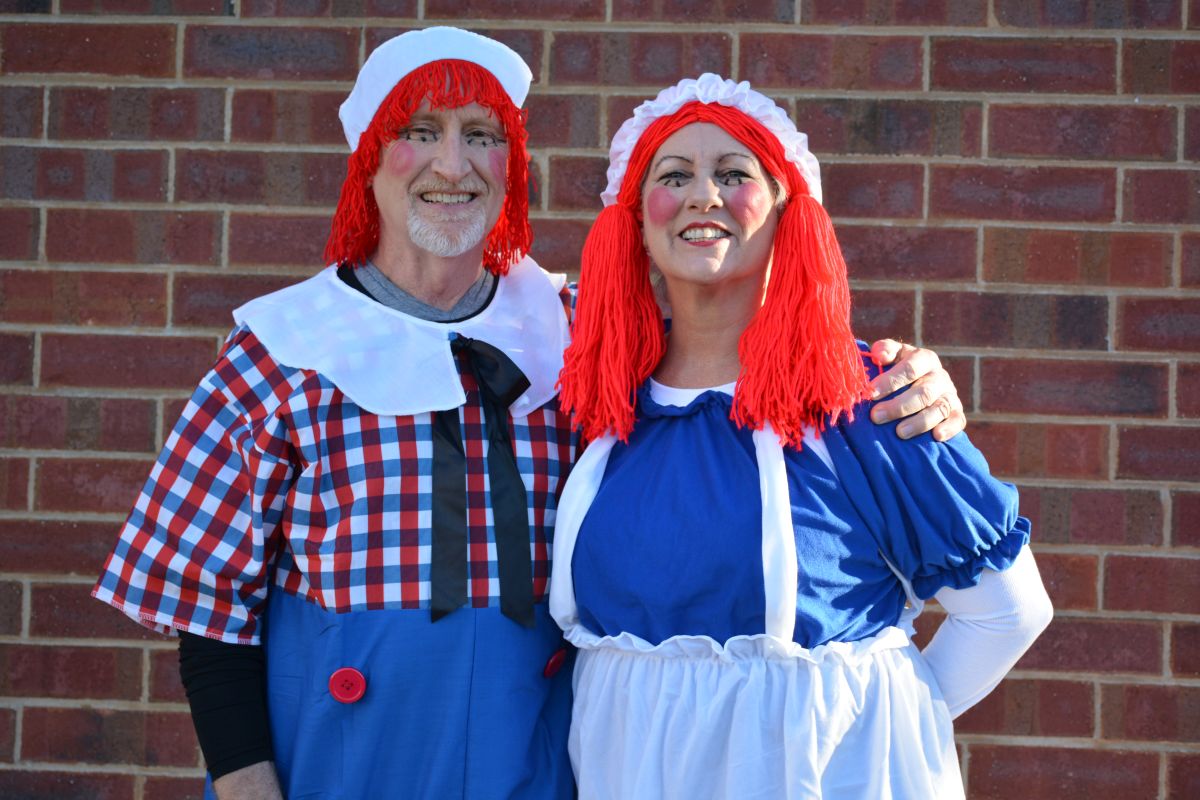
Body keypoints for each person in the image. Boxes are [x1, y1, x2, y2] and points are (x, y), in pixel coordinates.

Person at [93, 30, 968, 800]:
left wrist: (905, 378)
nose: (452, 165)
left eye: (482, 136)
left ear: (511, 166)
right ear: (368, 159)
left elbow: (729, 354)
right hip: (345, 764)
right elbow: (209, 617)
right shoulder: (278, 352)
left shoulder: (582, 332)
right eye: (419, 132)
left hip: (539, 765)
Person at [550, 75, 1053, 800]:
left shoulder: (865, 399)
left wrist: (884, 731)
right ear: (633, 220)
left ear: (789, 212)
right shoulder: (598, 395)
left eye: (734, 173)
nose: (703, 195)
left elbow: (1009, 612)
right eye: (674, 176)